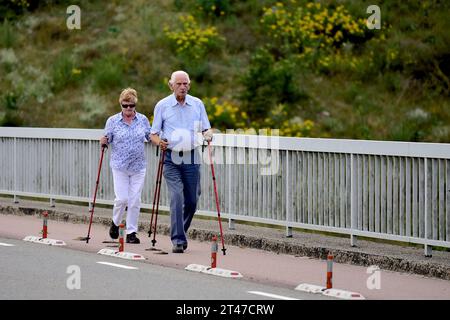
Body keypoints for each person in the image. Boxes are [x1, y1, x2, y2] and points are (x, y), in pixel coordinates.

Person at [150, 71, 214, 253]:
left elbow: (206, 128)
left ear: (189, 85)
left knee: (192, 200)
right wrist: (158, 142)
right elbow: (153, 134)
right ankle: (177, 239)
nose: (182, 87)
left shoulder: (197, 104)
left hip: (192, 157)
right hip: (171, 157)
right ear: (171, 85)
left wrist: (208, 134)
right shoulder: (162, 105)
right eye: (179, 84)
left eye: (185, 83)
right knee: (177, 197)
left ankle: (181, 232)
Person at [100, 88, 152, 244]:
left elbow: (149, 136)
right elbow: (107, 137)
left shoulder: (142, 119)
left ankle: (131, 232)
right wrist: (103, 140)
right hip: (120, 166)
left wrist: (161, 140)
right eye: (125, 105)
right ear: (120, 104)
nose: (128, 109)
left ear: (135, 104)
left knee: (135, 200)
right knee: (122, 199)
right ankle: (115, 223)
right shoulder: (113, 121)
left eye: (131, 105)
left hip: (138, 166)